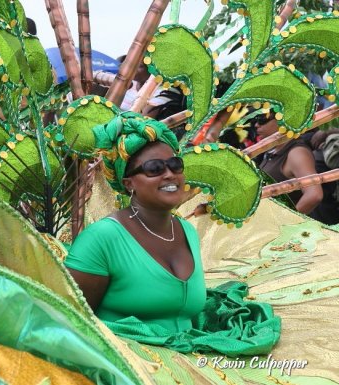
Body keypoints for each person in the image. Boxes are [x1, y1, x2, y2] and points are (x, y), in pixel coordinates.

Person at [64, 112, 281, 356]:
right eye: (154, 168)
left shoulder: (186, 231)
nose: (169, 174)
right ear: (129, 183)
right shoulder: (102, 238)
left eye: (175, 165)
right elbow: (73, 321)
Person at [256, 112, 323, 215]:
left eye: (262, 119)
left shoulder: (296, 152)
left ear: (281, 120)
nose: (256, 125)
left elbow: (314, 194)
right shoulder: (272, 152)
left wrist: (286, 222)